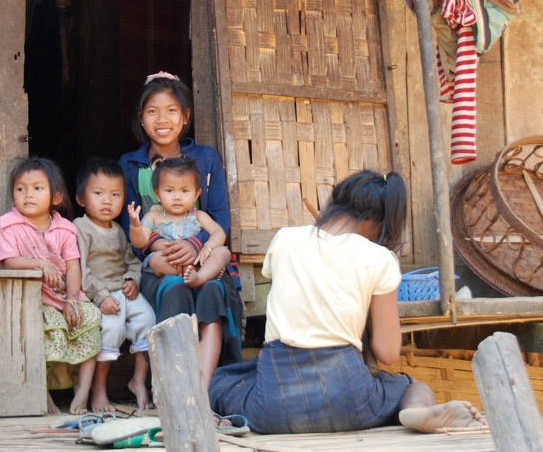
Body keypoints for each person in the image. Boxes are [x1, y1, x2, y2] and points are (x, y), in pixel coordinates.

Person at [208, 170, 487, 434]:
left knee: (222, 381)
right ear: (381, 221)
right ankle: (414, 410)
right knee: (410, 386)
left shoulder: (286, 239)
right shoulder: (379, 258)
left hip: (273, 407)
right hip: (351, 402)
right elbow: (387, 353)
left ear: (336, 203)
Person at [118, 71, 243, 388]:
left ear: (185, 117)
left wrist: (193, 245)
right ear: (141, 118)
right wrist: (162, 247)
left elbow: (218, 218)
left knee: (214, 288)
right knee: (173, 286)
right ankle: (173, 386)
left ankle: (208, 386)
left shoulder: (205, 158)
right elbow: (129, 224)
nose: (162, 119)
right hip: (161, 260)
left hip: (201, 256)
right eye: (152, 111)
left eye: (172, 110)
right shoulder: (130, 165)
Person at [0, 156, 101, 415]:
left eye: (37, 188)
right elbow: (8, 260)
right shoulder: (9, 225)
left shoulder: (65, 229)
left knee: (89, 320)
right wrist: (41, 264)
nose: (28, 195)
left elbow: (73, 267)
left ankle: (83, 392)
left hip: (65, 295)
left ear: (55, 198)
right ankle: (42, 395)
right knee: (42, 332)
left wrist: (73, 300)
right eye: (21, 189)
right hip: (34, 299)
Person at [73, 156, 155, 412]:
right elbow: (80, 270)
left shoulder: (119, 230)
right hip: (99, 293)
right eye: (98, 193)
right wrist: (100, 296)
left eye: (115, 194)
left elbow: (132, 261)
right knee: (111, 329)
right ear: (81, 199)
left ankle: (138, 380)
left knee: (148, 321)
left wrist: (133, 279)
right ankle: (99, 388)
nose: (107, 201)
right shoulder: (80, 227)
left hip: (123, 290)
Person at [127, 156, 231, 288]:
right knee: (155, 260)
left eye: (185, 191)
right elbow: (140, 242)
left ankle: (200, 276)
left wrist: (207, 247)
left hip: (198, 258)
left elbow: (219, 232)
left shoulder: (198, 215)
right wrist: (135, 226)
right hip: (170, 262)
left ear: (196, 194)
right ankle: (200, 273)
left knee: (223, 252)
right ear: (157, 194)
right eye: (169, 191)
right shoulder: (152, 216)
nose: (177, 197)